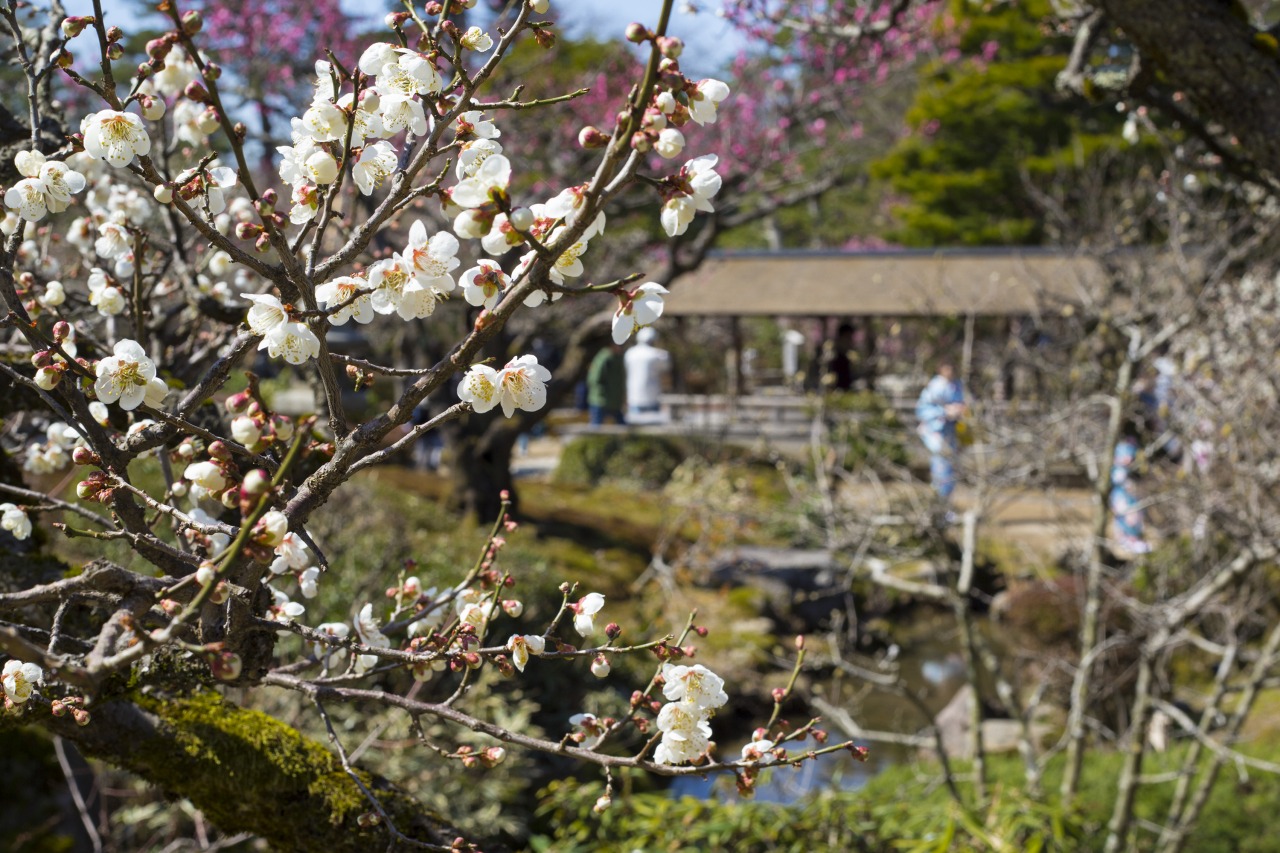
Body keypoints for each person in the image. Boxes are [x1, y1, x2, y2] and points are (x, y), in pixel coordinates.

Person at [914, 362, 967, 507]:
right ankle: (939, 505)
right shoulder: (935, 386)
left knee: (952, 472)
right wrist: (944, 412)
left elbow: (965, 404)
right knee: (941, 471)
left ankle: (947, 506)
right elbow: (922, 410)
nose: (950, 370)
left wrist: (960, 410)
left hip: (953, 434)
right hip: (937, 435)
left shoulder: (957, 385)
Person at [1110, 438, 1151, 554]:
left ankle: (1134, 540)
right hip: (1121, 495)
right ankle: (1126, 540)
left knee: (1134, 517)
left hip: (1132, 495)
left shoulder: (1135, 449)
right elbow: (1116, 478)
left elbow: (1140, 471)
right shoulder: (1117, 469)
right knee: (1126, 517)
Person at [625, 327, 670, 419]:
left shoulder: (630, 353)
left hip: (633, 397)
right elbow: (666, 365)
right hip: (652, 397)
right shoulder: (656, 355)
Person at [586, 343, 626, 426]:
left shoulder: (618, 358)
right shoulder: (604, 358)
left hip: (614, 401)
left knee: (622, 426)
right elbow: (594, 379)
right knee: (596, 426)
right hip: (601, 400)